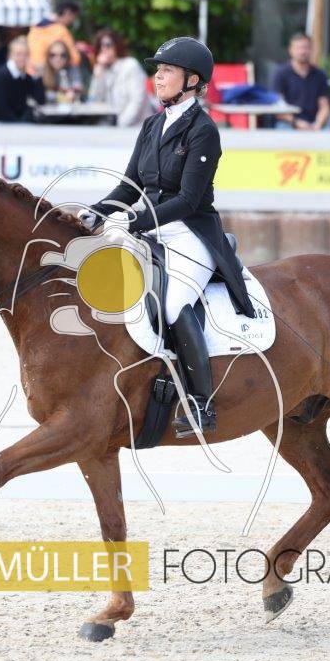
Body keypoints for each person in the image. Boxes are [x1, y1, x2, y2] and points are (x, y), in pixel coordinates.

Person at [78, 37, 255, 438]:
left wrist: (138, 220)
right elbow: (129, 186)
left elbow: (189, 200)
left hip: (191, 232)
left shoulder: (203, 130)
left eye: (167, 71)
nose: (158, 77)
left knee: (173, 305)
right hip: (151, 226)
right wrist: (98, 210)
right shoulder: (152, 125)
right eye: (157, 70)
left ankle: (201, 403)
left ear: (192, 80)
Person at [86, 29, 149, 127]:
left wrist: (120, 126)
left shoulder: (130, 65)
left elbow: (137, 102)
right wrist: (98, 77)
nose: (103, 49)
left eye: (108, 45)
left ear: (117, 45)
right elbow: (94, 102)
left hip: (135, 127)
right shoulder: (103, 70)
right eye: (100, 46)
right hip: (110, 127)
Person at [269, 32, 330, 130]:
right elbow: (277, 107)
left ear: (311, 50)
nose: (302, 51)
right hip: (289, 123)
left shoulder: (320, 75)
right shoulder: (281, 73)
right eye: (298, 48)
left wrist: (318, 124)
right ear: (290, 50)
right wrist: (296, 123)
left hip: (314, 123)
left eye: (306, 47)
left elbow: (324, 106)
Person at [0, 35, 45, 123]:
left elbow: (39, 101)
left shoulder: (25, 77)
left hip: (14, 123)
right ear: (10, 56)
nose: (22, 58)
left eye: (25, 54)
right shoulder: (0, 77)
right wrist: (19, 125)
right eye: (18, 54)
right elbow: (1, 109)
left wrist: (38, 77)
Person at [27, 0, 81, 75]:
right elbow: (75, 59)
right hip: (49, 75)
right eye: (73, 17)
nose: (72, 21)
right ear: (67, 12)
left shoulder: (34, 30)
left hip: (31, 73)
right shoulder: (61, 31)